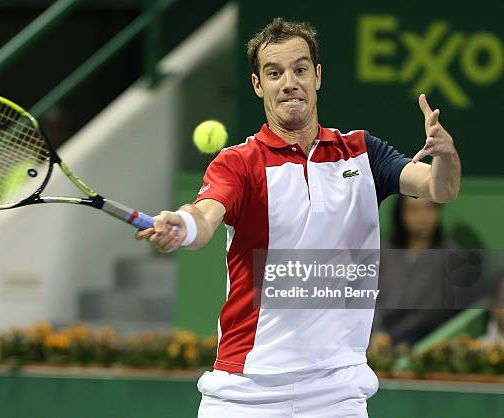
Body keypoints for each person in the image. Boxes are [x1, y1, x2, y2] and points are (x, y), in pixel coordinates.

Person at [136, 18, 461, 418]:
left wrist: (446, 155)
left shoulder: (362, 153)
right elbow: (205, 218)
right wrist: (182, 226)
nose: (289, 82)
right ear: (258, 85)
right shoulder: (237, 163)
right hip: (244, 391)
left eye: (300, 69)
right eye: (274, 73)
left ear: (317, 76)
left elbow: (440, 189)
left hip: (336, 390)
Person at [373, 196, 461, 345]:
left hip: (425, 339)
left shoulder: (452, 256)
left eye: (429, 208)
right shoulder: (385, 252)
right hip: (378, 337)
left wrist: (391, 336)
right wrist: (376, 332)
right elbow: (373, 298)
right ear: (401, 214)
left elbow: (433, 313)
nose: (422, 217)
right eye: (413, 210)